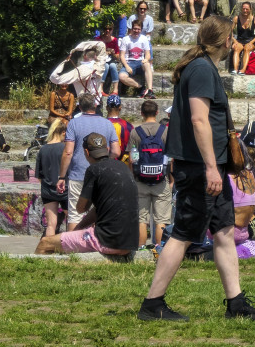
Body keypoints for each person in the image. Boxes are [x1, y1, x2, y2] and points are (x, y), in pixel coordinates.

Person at [140, 16, 255, 319]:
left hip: (210, 166)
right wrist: (211, 167)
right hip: (201, 168)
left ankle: (236, 303)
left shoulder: (202, 67)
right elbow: (199, 120)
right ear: (225, 41)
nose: (233, 42)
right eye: (232, 37)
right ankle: (152, 304)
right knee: (183, 234)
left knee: (224, 231)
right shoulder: (200, 69)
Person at [36, 132, 144, 256]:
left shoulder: (94, 170)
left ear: (86, 152)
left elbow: (81, 208)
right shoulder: (122, 167)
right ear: (107, 149)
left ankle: (35, 267)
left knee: (44, 243)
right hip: (129, 243)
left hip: (107, 241)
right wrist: (78, 228)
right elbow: (99, 209)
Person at [59, 96, 119, 226]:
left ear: (80, 107)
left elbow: (68, 152)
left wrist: (62, 176)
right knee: (99, 213)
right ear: (95, 106)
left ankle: (74, 240)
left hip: (78, 174)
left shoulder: (73, 123)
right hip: (102, 174)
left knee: (75, 215)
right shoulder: (107, 123)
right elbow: (116, 151)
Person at [130, 101, 172, 248]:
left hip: (140, 180)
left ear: (141, 113)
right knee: (161, 219)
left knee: (141, 219)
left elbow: (132, 159)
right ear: (157, 113)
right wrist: (171, 179)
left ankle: (141, 248)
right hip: (161, 180)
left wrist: (133, 177)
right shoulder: (165, 131)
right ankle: (159, 250)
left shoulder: (135, 132)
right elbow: (170, 158)